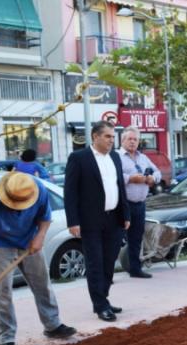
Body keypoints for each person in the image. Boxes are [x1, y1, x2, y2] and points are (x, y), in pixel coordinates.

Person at [0, 171, 76, 345]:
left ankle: (52, 325)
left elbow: (45, 219)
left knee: (42, 283)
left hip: (29, 239)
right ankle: (6, 338)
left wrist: (39, 237)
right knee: (2, 291)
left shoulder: (38, 189)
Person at [64, 121, 130, 322]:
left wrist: (125, 215)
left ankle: (104, 298)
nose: (112, 140)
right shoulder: (79, 158)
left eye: (113, 136)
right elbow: (70, 192)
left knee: (109, 261)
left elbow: (120, 188)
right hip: (90, 220)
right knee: (95, 263)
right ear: (95, 136)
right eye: (108, 136)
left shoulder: (115, 157)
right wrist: (73, 221)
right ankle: (100, 305)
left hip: (114, 219)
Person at [118, 126, 161, 279]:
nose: (132, 142)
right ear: (122, 140)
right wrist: (130, 178)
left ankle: (135, 269)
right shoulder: (116, 156)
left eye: (135, 139)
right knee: (115, 239)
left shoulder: (143, 158)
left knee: (136, 238)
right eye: (129, 139)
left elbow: (157, 172)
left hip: (140, 204)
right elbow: (113, 176)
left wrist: (152, 178)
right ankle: (107, 275)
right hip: (123, 205)